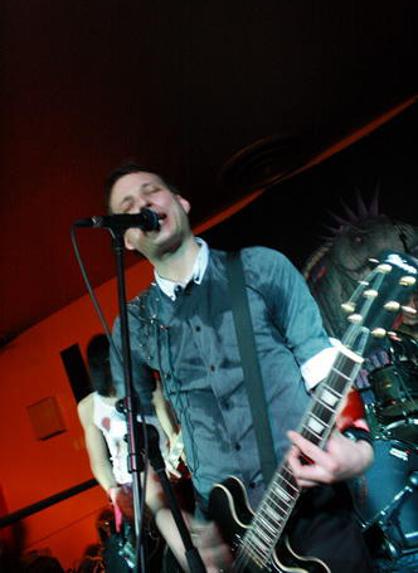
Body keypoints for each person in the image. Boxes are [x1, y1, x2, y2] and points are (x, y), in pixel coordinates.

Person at [106, 163, 375, 572]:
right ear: (126, 238)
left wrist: (358, 451)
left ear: (181, 202)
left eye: (151, 191)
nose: (142, 203)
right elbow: (139, 446)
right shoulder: (133, 326)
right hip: (227, 540)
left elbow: (324, 368)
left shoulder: (260, 268)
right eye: (128, 205)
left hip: (312, 512)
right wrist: (174, 528)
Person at [77, 334, 183, 571]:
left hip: (165, 476)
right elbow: (98, 461)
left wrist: (176, 450)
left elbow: (171, 430)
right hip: (130, 491)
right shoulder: (89, 406)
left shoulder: (147, 387)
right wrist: (113, 490)